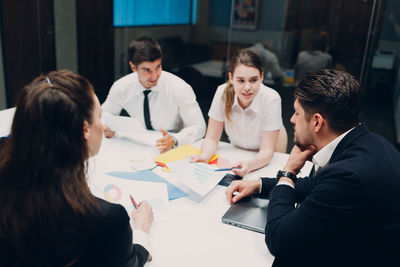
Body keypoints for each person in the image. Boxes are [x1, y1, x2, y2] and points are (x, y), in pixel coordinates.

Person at [226, 69, 400, 267]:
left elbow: (280, 241)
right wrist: (258, 185)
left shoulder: (349, 176)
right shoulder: (365, 141)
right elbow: (318, 184)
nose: (291, 119)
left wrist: (288, 172)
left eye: (297, 113)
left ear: (316, 122)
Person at [0, 70, 154, 266]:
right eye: (99, 117)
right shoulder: (107, 220)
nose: (103, 124)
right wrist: (141, 230)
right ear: (85, 130)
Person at [102, 37, 206, 153]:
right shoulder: (121, 87)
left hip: (171, 145)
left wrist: (176, 139)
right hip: (136, 144)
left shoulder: (179, 88)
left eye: (158, 67)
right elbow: (103, 115)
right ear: (133, 67)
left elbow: (199, 126)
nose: (154, 76)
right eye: (146, 70)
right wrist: (106, 127)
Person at [192, 49, 283, 177]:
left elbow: (267, 151)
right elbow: (212, 138)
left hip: (260, 161)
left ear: (262, 77)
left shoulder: (271, 98)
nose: (247, 87)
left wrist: (248, 165)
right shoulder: (222, 92)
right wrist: (204, 156)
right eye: (241, 80)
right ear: (231, 78)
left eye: (253, 80)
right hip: (234, 154)